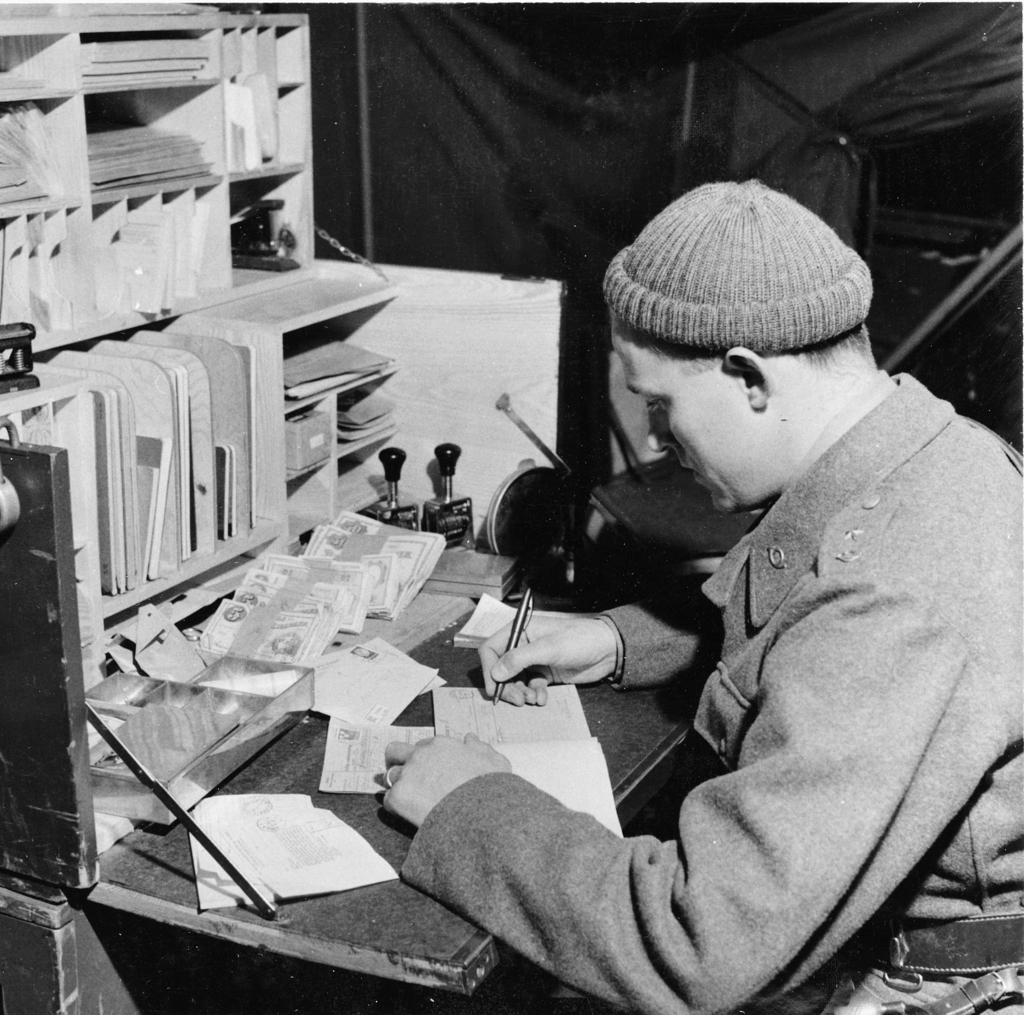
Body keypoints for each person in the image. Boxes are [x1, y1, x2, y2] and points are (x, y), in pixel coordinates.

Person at [382, 181, 1023, 1014]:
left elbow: (697, 944)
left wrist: (469, 804)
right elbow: (795, 601)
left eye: (660, 405)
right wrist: (619, 639)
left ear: (749, 376)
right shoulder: (924, 453)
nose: (656, 437)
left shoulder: (896, 588)